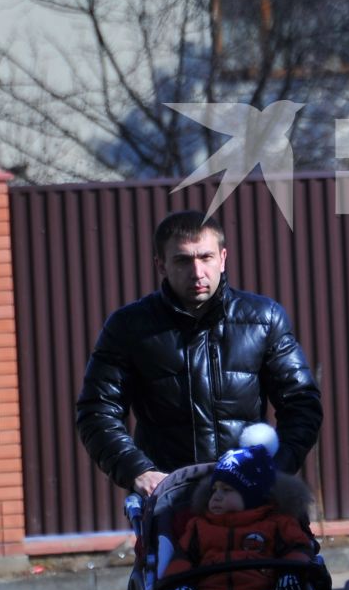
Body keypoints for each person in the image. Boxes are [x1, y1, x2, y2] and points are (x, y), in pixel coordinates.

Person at [77, 210, 322, 497]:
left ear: (223, 258)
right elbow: (97, 410)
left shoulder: (264, 318)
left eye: (206, 257)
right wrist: (138, 471)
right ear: (161, 265)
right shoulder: (129, 327)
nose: (197, 272)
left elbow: (301, 402)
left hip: (250, 493)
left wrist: (274, 469)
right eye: (182, 260)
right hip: (170, 497)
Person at [153, 441, 318, 590]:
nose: (216, 497)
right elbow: (181, 557)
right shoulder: (199, 526)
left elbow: (298, 547)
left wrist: (290, 573)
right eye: (214, 490)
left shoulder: (276, 523)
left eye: (227, 490)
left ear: (252, 496)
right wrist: (179, 584)